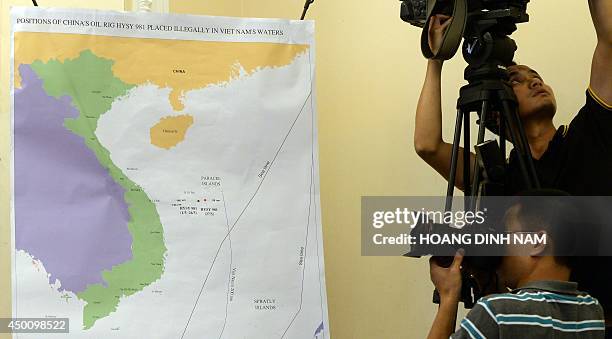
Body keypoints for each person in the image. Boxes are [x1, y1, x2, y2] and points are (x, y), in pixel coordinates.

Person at [414, 0, 612, 331]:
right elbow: (427, 144)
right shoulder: (500, 176)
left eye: (538, 77)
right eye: (519, 80)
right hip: (531, 328)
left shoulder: (590, 133)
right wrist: (436, 61)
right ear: (495, 113)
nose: (536, 82)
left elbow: (608, 38)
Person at [427, 193, 605, 339]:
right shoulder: (590, 310)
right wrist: (491, 286)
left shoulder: (495, 312)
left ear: (537, 242)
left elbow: (507, 316)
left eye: (505, 234)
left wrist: (448, 295)